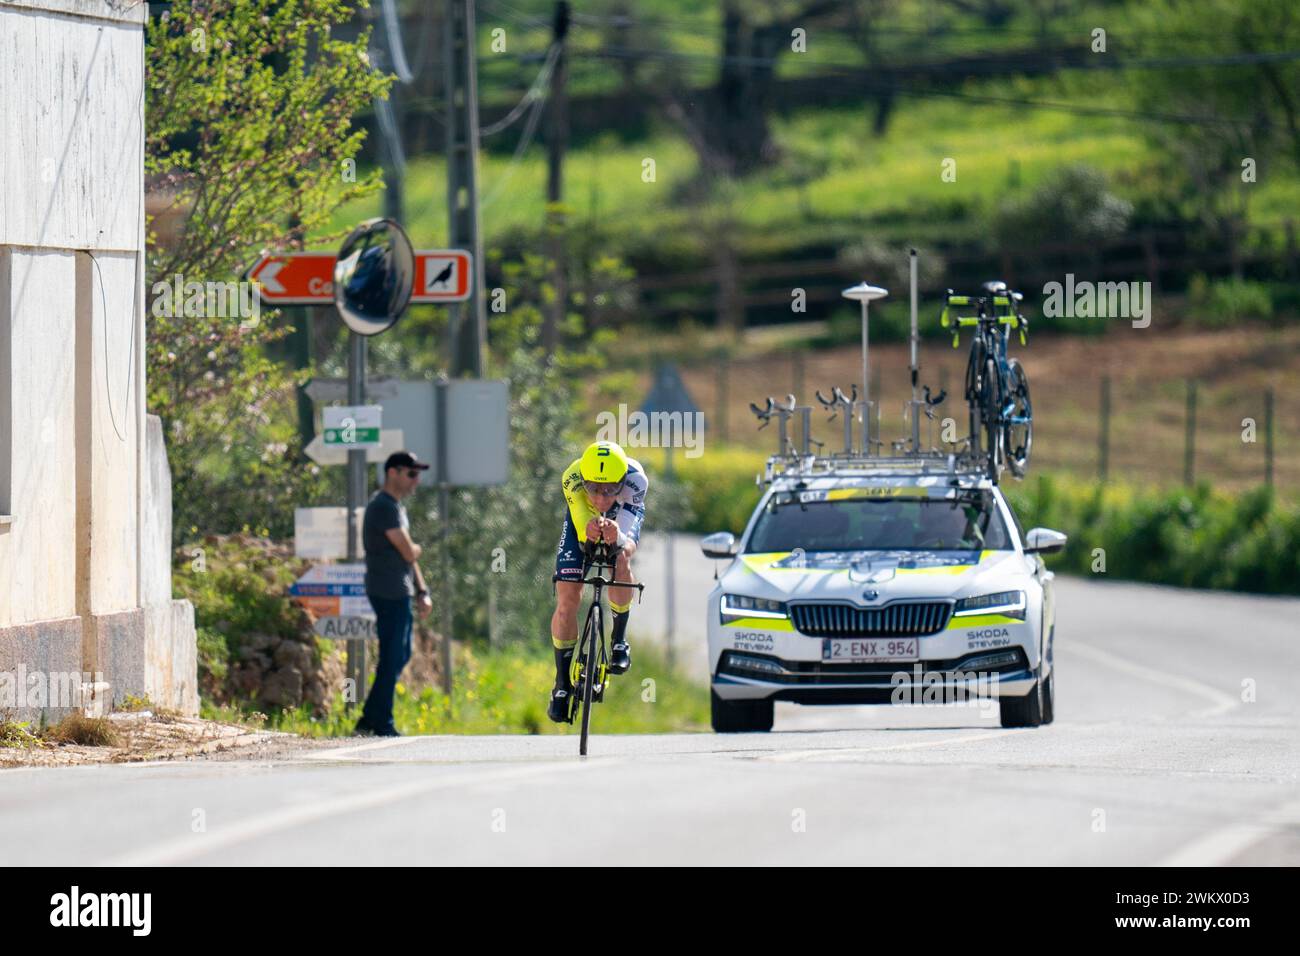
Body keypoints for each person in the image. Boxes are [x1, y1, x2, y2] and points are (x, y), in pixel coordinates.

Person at [548, 440, 648, 723]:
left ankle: (619, 640)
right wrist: (589, 532)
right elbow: (582, 523)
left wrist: (616, 538)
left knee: (621, 556)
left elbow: (626, 539)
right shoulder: (572, 477)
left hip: (624, 513)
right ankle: (562, 684)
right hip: (582, 515)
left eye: (609, 490)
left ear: (621, 482)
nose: (602, 498)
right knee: (567, 600)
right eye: (595, 488)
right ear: (584, 481)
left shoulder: (636, 480)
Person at [355, 451, 434, 736]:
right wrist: (414, 548)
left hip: (400, 590)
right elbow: (407, 550)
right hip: (386, 590)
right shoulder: (382, 506)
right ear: (392, 473)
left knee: (400, 655)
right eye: (411, 473)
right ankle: (381, 722)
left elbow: (409, 558)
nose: (416, 480)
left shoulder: (396, 508)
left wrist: (422, 590)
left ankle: (369, 719)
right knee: (392, 655)